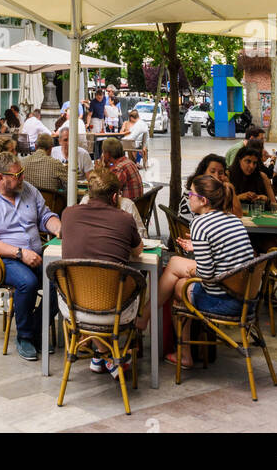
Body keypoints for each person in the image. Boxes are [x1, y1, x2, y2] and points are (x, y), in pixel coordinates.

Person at [0, 152, 62, 361]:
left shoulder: (28, 190)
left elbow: (45, 216)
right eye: (17, 174)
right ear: (1, 178)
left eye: (22, 172)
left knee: (64, 279)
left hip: (33, 254)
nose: (22, 178)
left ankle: (36, 329)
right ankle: (25, 337)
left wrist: (58, 228)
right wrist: (20, 253)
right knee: (27, 283)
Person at [158, 176, 254, 368]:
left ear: (203, 200)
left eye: (191, 194)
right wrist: (197, 249)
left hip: (222, 302)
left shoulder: (200, 224)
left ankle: (182, 353)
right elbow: (223, 251)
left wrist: (190, 270)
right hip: (247, 300)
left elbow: (207, 276)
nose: (188, 198)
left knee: (178, 283)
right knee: (177, 268)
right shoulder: (233, 220)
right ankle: (147, 318)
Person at [63, 167, 144, 378]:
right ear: (116, 196)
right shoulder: (125, 219)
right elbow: (138, 251)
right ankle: (109, 355)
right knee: (126, 288)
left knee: (90, 289)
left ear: (88, 193)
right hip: (114, 310)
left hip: (73, 307)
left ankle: (101, 354)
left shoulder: (68, 214)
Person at [178, 154, 242, 222]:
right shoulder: (197, 192)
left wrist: (230, 188)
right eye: (212, 171)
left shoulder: (212, 192)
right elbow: (237, 215)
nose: (216, 176)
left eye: (220, 173)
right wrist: (230, 188)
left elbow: (238, 214)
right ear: (203, 172)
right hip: (193, 230)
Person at [227, 143, 275, 208]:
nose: (252, 166)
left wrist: (266, 199)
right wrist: (239, 197)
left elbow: (274, 205)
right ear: (239, 160)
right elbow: (221, 205)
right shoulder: (228, 175)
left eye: (254, 163)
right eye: (248, 161)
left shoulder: (262, 177)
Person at [100, 137, 143, 203]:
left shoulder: (119, 168)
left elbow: (106, 192)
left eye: (103, 152)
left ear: (107, 154)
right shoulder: (128, 162)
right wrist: (107, 167)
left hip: (127, 208)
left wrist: (100, 171)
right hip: (138, 204)